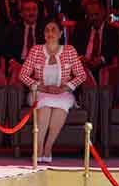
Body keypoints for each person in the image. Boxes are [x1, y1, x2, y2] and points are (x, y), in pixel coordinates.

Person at [19, 19, 86, 163]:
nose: (50, 33)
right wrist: (40, 86)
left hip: (63, 93)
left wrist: (64, 88)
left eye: (54, 30)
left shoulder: (69, 50)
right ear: (43, 34)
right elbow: (23, 74)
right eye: (47, 30)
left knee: (61, 107)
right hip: (39, 92)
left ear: (61, 33)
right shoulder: (36, 50)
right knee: (45, 106)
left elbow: (81, 75)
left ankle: (48, 148)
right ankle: (38, 149)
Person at [73, 1, 118, 81]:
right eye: (91, 15)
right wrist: (81, 58)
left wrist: (101, 59)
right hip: (83, 65)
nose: (94, 18)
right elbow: (73, 48)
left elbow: (113, 51)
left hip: (103, 66)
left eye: (96, 14)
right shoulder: (80, 28)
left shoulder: (112, 31)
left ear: (103, 13)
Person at [6, 0, 44, 73]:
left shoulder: (45, 29)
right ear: (21, 14)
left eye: (34, 9)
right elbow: (6, 50)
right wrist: (12, 62)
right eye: (28, 10)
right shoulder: (13, 29)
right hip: (19, 63)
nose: (32, 13)